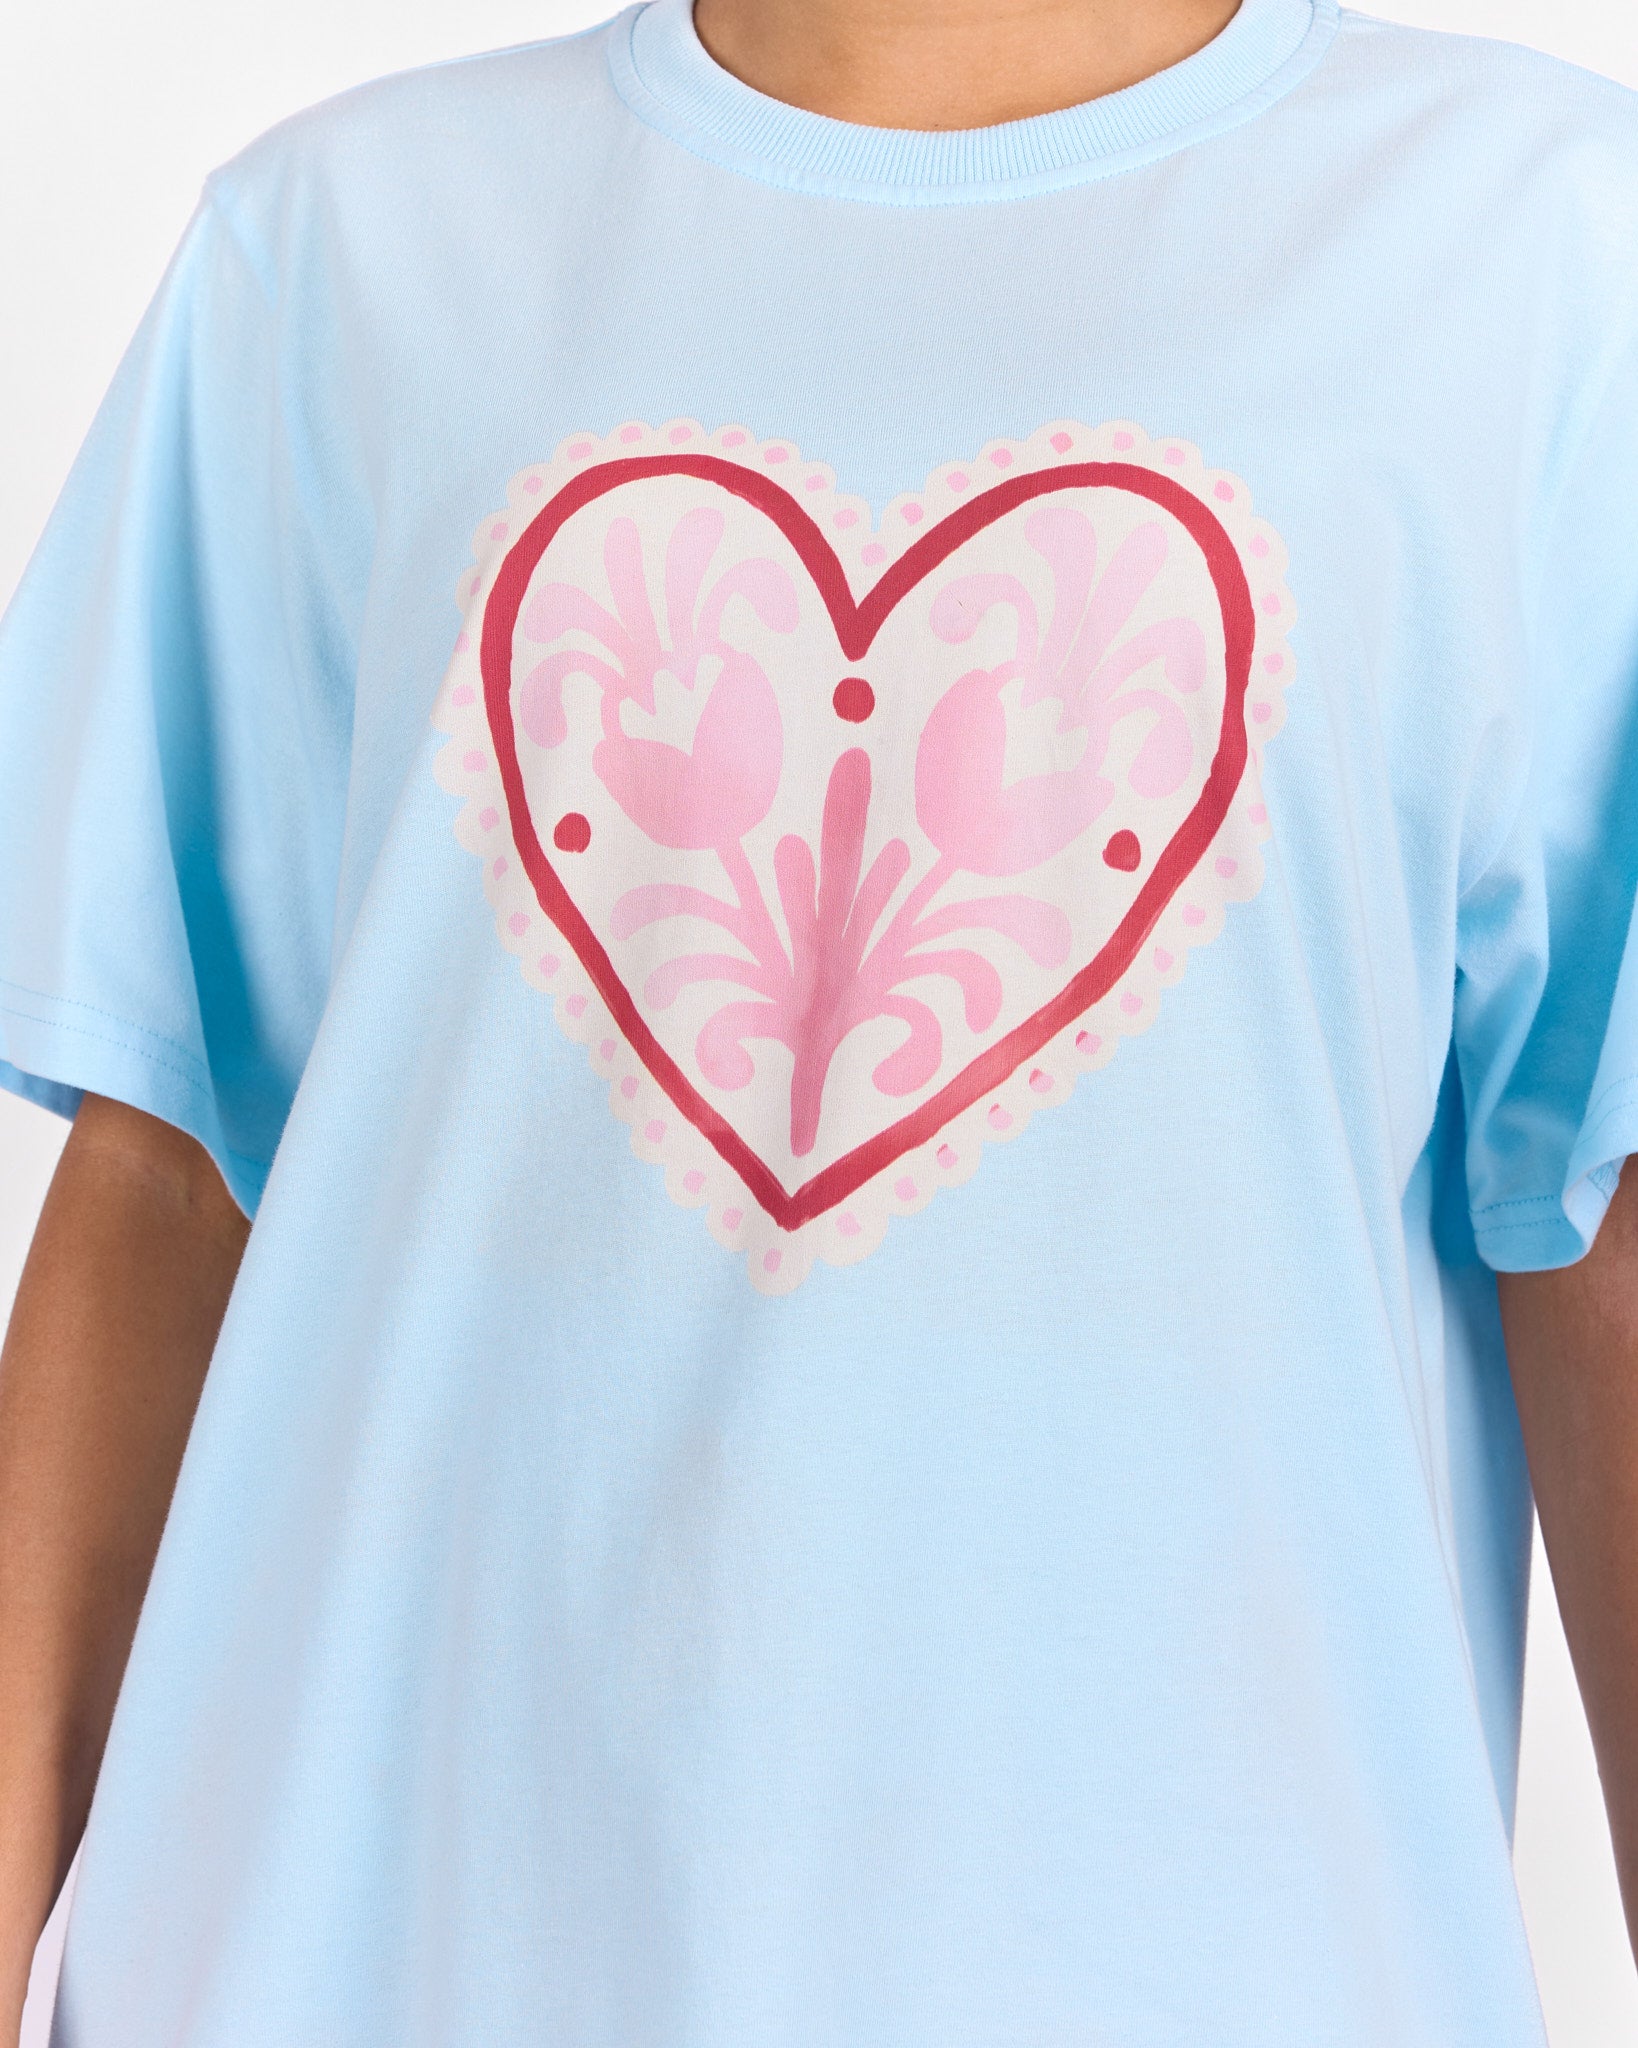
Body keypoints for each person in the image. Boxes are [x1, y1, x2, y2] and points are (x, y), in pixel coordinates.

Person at [2, 0, 1637, 2039]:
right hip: (342, 1962)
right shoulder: (337, 247)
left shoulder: (1546, 242)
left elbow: (1598, 1220)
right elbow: (167, 1178)